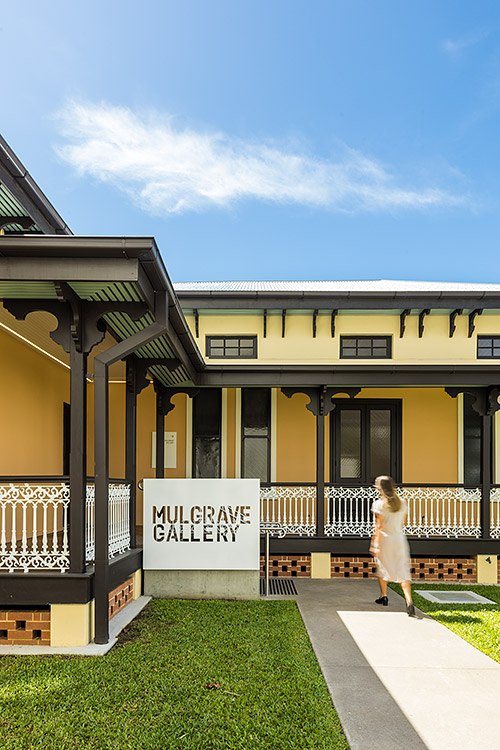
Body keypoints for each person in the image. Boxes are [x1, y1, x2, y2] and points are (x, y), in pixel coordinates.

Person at [369, 475, 415, 617]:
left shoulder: (379, 504)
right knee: (402, 570)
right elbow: (402, 523)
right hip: (399, 539)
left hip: (386, 540)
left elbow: (379, 527)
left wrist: (375, 544)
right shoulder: (402, 503)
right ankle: (409, 601)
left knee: (383, 568)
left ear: (381, 488)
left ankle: (384, 596)